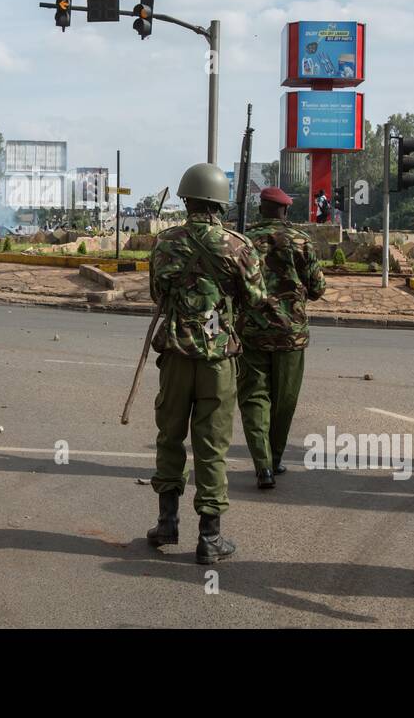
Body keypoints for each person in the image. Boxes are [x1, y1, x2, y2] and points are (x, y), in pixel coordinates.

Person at [145, 163, 266, 564]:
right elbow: (256, 298)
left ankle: (166, 524)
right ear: (219, 202)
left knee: (169, 438)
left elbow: (157, 293)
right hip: (217, 362)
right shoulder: (237, 245)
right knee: (211, 448)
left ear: (186, 198)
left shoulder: (165, 243)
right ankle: (209, 539)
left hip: (176, 358)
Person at [237, 187, 325, 488]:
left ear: (261, 209)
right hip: (291, 334)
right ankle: (274, 459)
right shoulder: (301, 241)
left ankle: (263, 465)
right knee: (284, 400)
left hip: (251, 331)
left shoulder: (243, 242)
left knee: (254, 398)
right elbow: (317, 288)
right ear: (285, 211)